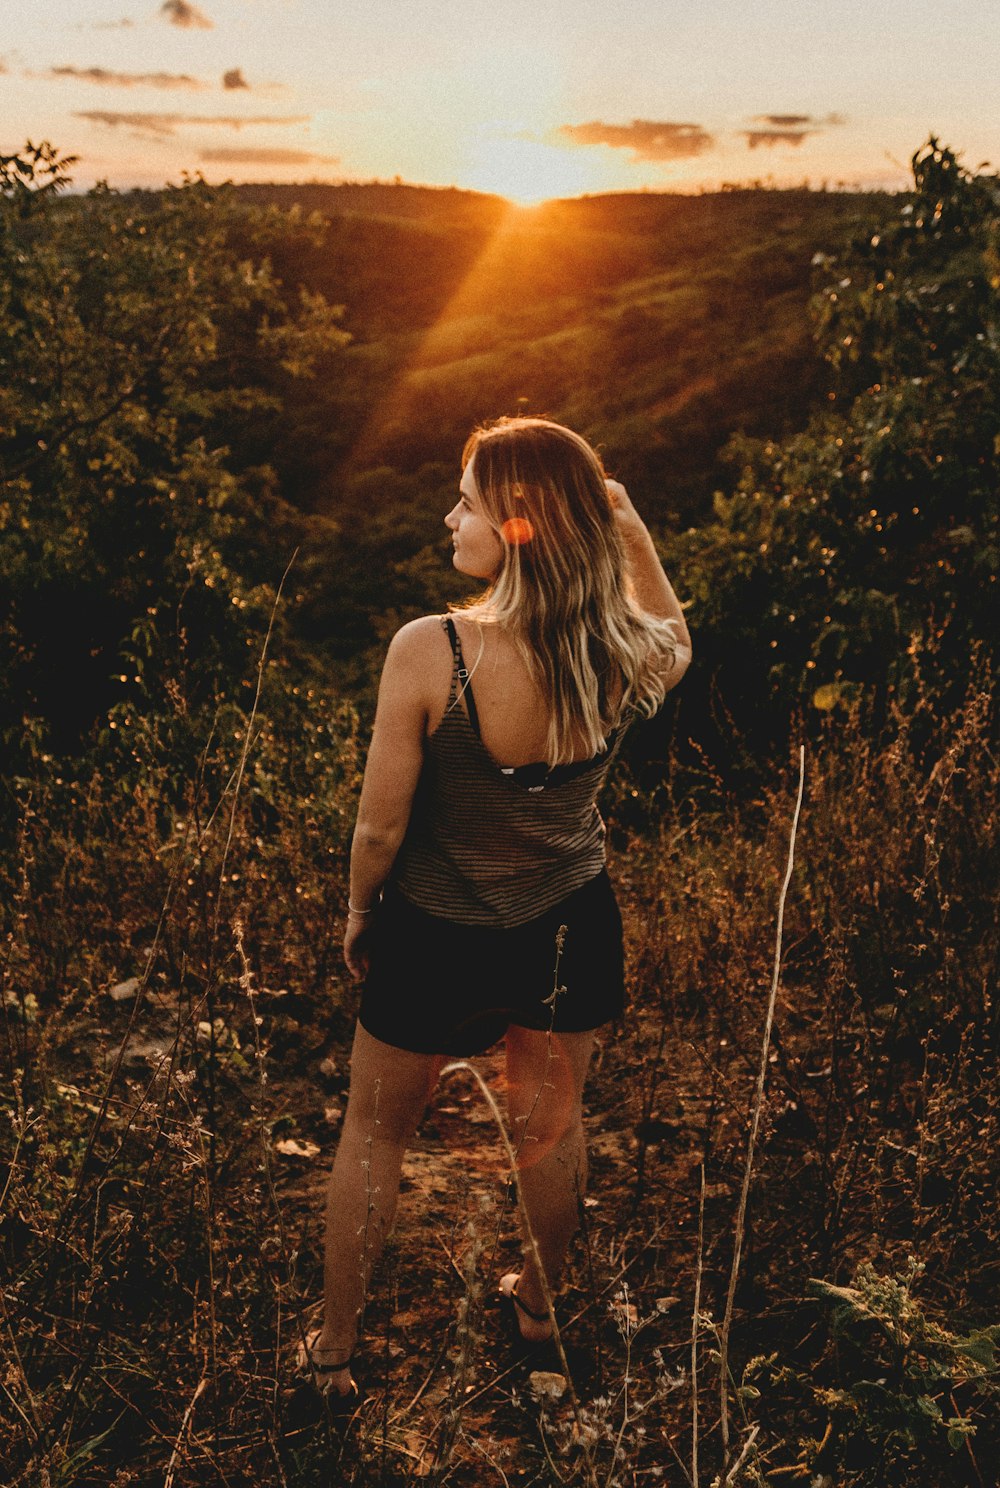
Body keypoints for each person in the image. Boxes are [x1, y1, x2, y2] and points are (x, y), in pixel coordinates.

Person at [298, 417, 691, 1402]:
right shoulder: (622, 651)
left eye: (466, 499)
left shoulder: (430, 651)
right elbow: (677, 634)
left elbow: (379, 831)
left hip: (433, 930)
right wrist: (626, 520)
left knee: (375, 1137)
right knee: (550, 1133)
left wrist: (358, 912)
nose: (448, 517)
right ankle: (538, 1311)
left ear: (516, 525)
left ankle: (334, 1349)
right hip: (567, 922)